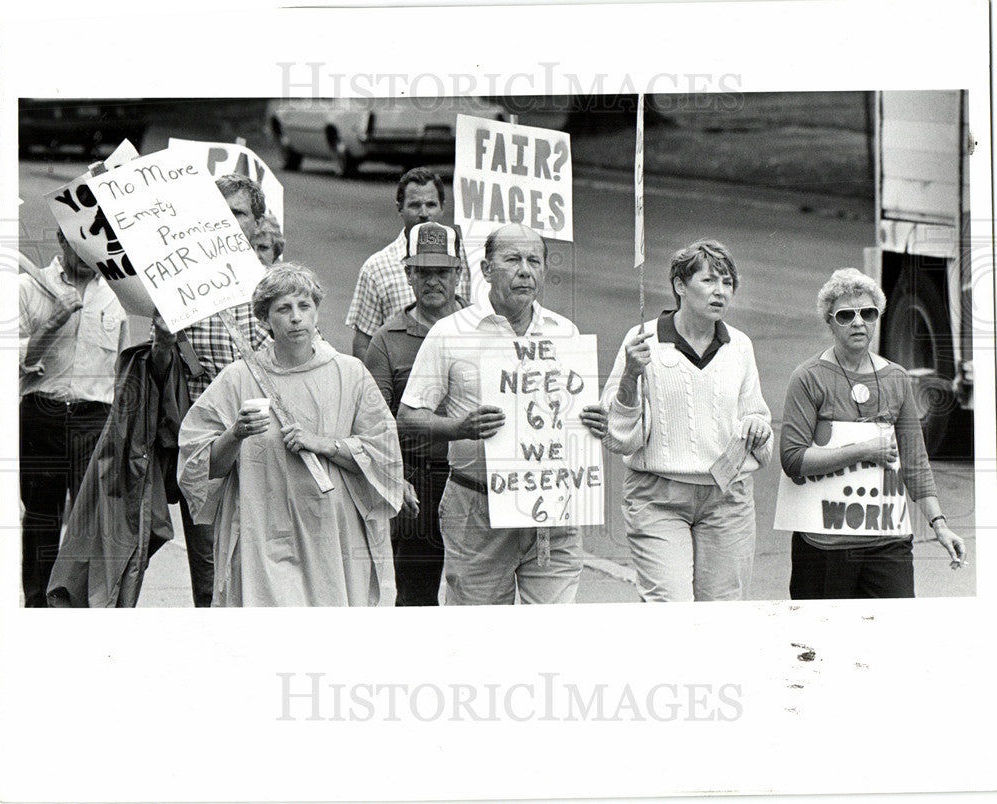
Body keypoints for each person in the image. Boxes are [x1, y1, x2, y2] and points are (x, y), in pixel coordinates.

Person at [398, 223, 608, 605]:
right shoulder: (451, 332)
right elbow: (409, 416)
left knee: (548, 636)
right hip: (478, 508)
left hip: (553, 513)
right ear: (486, 269)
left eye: (534, 261)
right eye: (512, 259)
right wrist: (458, 428)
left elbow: (579, 416)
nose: (525, 270)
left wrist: (596, 422)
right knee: (479, 636)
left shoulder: (566, 333)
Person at [177, 264, 404, 606]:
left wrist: (325, 444)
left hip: (332, 536)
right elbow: (199, 467)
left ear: (316, 312)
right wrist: (235, 434)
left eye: (304, 307)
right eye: (283, 309)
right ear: (265, 320)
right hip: (262, 534)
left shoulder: (350, 374)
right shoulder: (237, 379)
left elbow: (383, 455)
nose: (296, 318)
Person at [601, 239, 772, 602]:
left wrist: (757, 428)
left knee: (721, 616)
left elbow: (756, 415)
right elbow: (619, 438)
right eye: (709, 281)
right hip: (658, 497)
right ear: (680, 285)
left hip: (728, 498)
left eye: (727, 283)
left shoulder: (739, 346)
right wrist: (630, 376)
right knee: (671, 610)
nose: (720, 292)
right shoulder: (642, 341)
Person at [779, 268, 966, 598]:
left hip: (887, 543)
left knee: (891, 642)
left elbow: (915, 463)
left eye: (867, 313)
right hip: (824, 545)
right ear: (829, 321)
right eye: (845, 315)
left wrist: (940, 524)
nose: (858, 322)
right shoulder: (808, 378)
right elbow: (793, 459)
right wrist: (861, 451)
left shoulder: (896, 379)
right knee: (823, 645)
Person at [150, 173, 271, 607]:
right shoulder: (179, 289)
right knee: (210, 577)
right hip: (207, 450)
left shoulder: (276, 290)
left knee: (265, 569)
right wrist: (163, 343)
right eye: (217, 212)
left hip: (265, 449)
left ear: (258, 224)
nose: (226, 221)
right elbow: (162, 378)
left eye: (237, 213)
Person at [19, 229, 128, 606]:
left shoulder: (117, 295)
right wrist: (51, 324)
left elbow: (121, 368)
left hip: (94, 418)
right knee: (40, 518)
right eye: (78, 244)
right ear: (62, 241)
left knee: (90, 523)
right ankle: (37, 606)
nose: (87, 254)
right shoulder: (28, 287)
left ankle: (77, 606)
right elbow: (7, 361)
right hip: (41, 414)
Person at [364, 222, 469, 605]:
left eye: (442, 271)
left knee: (476, 592)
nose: (433, 281)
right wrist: (394, 478)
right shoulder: (387, 340)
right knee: (416, 596)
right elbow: (375, 422)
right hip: (416, 481)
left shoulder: (485, 329)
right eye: (423, 271)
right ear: (408, 273)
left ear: (459, 271)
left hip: (472, 479)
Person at [346, 167, 471, 362]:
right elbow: (363, 343)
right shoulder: (377, 267)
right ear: (399, 208)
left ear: (442, 207)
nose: (424, 213)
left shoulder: (466, 258)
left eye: (431, 205)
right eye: (414, 205)